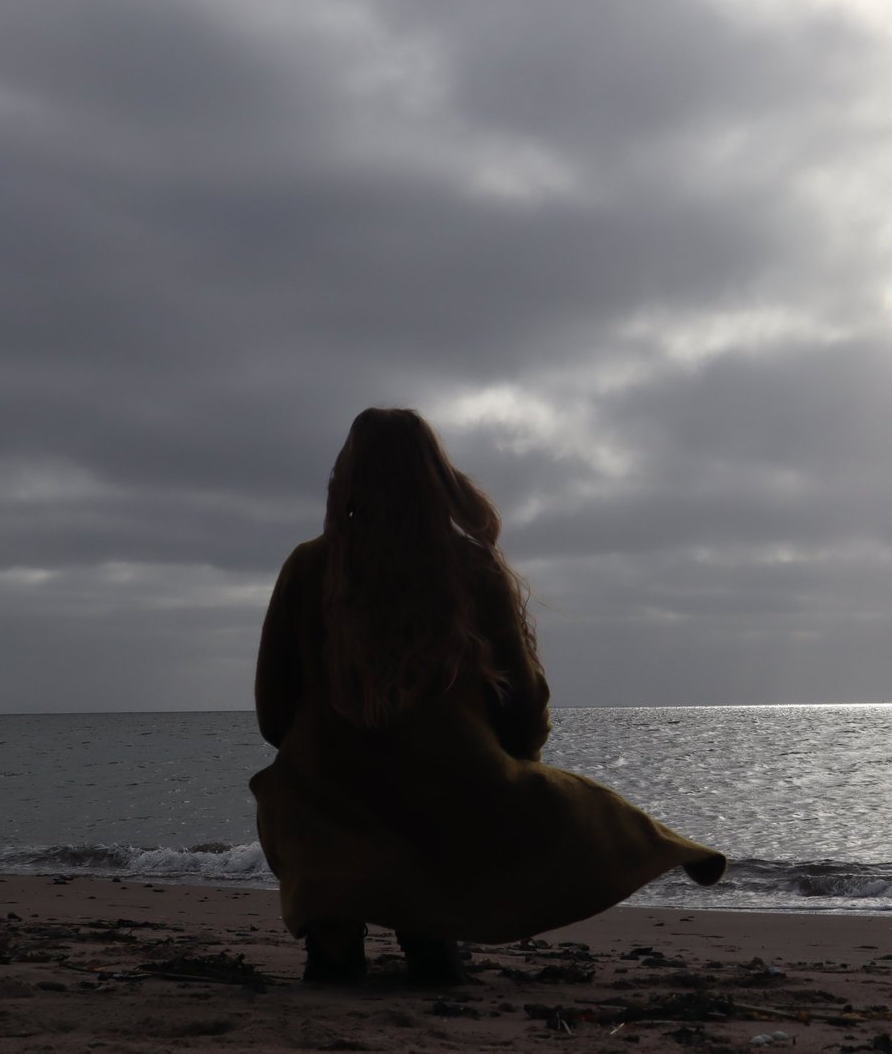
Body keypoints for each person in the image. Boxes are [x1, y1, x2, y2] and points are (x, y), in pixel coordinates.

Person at [250, 407, 724, 985]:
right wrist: (517, 766)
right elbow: (522, 703)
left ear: (347, 476)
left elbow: (273, 711)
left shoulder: (308, 567)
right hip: (448, 799)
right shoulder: (471, 569)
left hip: (330, 801)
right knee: (472, 792)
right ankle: (430, 927)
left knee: (293, 784)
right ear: (436, 478)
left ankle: (334, 928)